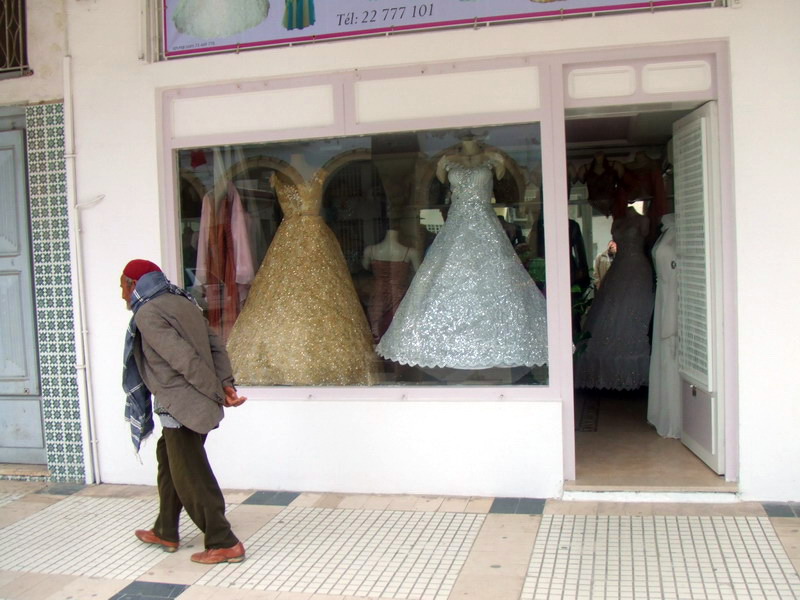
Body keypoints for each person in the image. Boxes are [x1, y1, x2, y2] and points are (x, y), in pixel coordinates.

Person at [120, 259, 247, 564]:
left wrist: (218, 391)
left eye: (122, 286)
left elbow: (183, 359)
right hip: (194, 402)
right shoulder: (183, 301)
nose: (121, 294)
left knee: (191, 474)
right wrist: (225, 383)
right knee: (169, 461)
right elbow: (216, 346)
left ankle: (223, 541)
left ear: (133, 284)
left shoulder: (148, 313)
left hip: (181, 406)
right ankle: (165, 529)